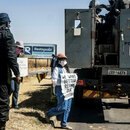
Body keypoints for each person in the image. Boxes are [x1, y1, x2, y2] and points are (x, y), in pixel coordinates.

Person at [0, 13, 21, 130]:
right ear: (7, 22)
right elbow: (12, 57)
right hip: (2, 74)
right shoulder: (7, 35)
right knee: (3, 101)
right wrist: (17, 73)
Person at [45, 53, 73, 130]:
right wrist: (62, 81)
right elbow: (53, 81)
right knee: (62, 108)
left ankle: (64, 124)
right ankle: (48, 113)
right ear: (59, 60)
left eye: (65, 59)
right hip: (60, 90)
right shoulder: (56, 69)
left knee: (67, 108)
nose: (64, 61)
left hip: (68, 91)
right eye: (62, 59)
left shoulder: (67, 69)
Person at [11, 41, 24, 109]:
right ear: (15, 47)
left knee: (16, 90)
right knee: (11, 89)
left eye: (21, 48)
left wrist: (23, 74)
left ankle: (14, 104)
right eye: (19, 48)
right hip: (12, 75)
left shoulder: (22, 56)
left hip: (19, 76)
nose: (20, 49)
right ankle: (5, 104)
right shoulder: (11, 54)